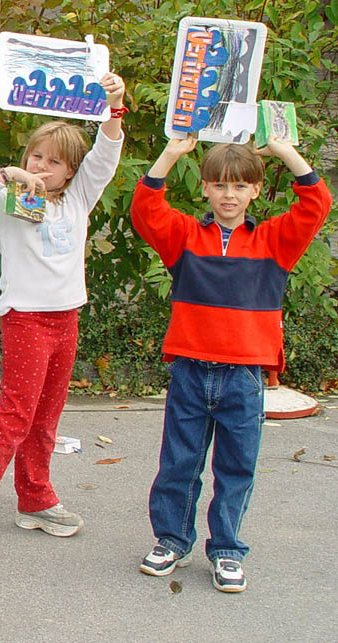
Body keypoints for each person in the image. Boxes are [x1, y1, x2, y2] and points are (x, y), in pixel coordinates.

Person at [0, 73, 127, 552]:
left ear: (70, 172)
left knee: (45, 418)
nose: (43, 167)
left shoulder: (78, 198)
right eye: (36, 157)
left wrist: (114, 106)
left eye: (55, 162)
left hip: (66, 318)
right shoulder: (7, 204)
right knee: (15, 414)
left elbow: (106, 155)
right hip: (27, 320)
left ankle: (35, 498)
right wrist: (7, 174)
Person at [130, 135, 331, 592]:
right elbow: (146, 209)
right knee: (179, 463)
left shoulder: (274, 241)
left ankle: (226, 549)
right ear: (204, 187)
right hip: (190, 370)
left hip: (244, 375)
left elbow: (316, 204)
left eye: (240, 186)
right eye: (219, 185)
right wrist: (172, 153)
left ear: (255, 190)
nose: (229, 195)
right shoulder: (185, 238)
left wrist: (284, 151)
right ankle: (171, 540)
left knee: (236, 468)